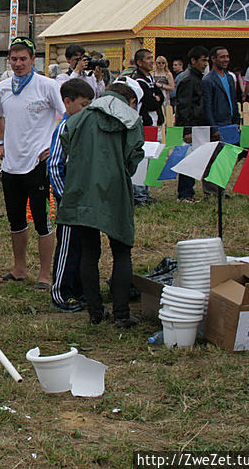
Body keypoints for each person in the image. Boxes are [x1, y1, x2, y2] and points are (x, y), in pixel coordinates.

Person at [56, 82, 143, 327]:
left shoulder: (79, 118)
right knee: (122, 251)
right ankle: (122, 314)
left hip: (82, 191)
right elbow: (133, 157)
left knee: (89, 251)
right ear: (130, 101)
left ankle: (95, 311)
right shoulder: (132, 120)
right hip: (115, 191)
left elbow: (66, 148)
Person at [0, 37, 64, 289]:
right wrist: (0, 143)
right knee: (16, 219)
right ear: (8, 61)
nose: (19, 63)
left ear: (34, 60)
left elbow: (66, 118)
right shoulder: (2, 88)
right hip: (11, 164)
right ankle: (19, 268)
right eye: (14, 59)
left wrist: (54, 148)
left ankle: (45, 274)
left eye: (24, 59)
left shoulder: (47, 86)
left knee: (42, 220)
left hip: (38, 164)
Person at [48, 78, 94, 313]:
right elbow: (55, 166)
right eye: (84, 105)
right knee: (67, 246)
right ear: (68, 102)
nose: (88, 110)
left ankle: (79, 289)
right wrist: (65, 197)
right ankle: (61, 292)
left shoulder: (87, 126)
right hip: (68, 201)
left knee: (83, 246)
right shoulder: (65, 127)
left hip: (86, 201)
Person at [174, 46, 210, 203]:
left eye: (207, 61)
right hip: (190, 126)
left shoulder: (198, 77)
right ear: (193, 61)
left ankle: (189, 191)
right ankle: (185, 193)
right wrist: (186, 130)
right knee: (188, 159)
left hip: (198, 125)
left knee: (195, 159)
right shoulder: (188, 79)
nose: (205, 64)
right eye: (203, 60)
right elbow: (184, 106)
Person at [131, 49, 163, 206]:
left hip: (154, 122)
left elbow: (160, 96)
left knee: (150, 158)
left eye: (152, 58)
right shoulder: (139, 80)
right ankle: (138, 195)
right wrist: (156, 97)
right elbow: (151, 102)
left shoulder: (149, 78)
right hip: (145, 123)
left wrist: (157, 97)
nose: (152, 61)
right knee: (142, 158)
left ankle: (145, 191)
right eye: (148, 58)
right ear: (139, 62)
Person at [203, 46, 240, 129]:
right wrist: (213, 128)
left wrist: (237, 121)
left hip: (231, 123)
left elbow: (234, 101)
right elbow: (207, 107)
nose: (226, 59)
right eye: (222, 57)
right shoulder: (208, 80)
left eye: (227, 56)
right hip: (219, 124)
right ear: (213, 59)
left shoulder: (230, 78)